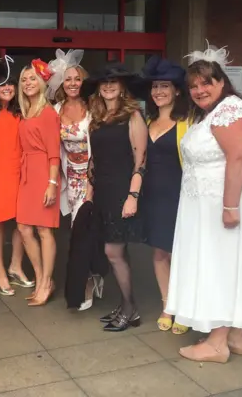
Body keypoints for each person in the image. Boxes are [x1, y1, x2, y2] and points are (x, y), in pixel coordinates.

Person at [166, 44, 242, 364]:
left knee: (220, 266)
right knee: (233, 265)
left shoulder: (229, 109)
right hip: (217, 201)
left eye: (206, 82)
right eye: (193, 86)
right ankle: (235, 334)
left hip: (227, 203)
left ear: (222, 82)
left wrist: (230, 206)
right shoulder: (218, 111)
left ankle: (217, 342)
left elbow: (239, 156)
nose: (199, 90)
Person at [82, 61, 147, 332]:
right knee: (118, 252)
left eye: (114, 82)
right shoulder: (96, 119)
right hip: (103, 193)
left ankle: (131, 309)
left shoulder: (133, 116)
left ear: (122, 87)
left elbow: (140, 161)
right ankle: (125, 306)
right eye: (104, 82)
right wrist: (89, 195)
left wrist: (133, 196)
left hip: (123, 191)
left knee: (113, 251)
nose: (108, 86)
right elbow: (93, 162)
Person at [48, 49, 107, 311]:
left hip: (93, 175)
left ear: (84, 81)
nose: (72, 83)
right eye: (68, 79)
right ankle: (88, 277)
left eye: (77, 78)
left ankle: (89, 279)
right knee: (78, 231)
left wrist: (92, 183)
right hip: (71, 176)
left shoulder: (94, 107)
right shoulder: (56, 109)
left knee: (90, 230)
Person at [138, 56, 191, 335]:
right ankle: (168, 305)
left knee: (180, 252)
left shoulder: (189, 122)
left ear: (177, 90)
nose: (158, 91)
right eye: (155, 86)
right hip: (153, 197)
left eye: (165, 86)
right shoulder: (145, 121)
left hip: (181, 196)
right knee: (159, 252)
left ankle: (184, 305)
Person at [0, 56, 34, 295]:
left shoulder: (22, 112)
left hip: (20, 172)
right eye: (3, 83)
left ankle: (15, 265)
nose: (8, 88)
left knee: (22, 221)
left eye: (12, 83)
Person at [16, 59, 61, 306]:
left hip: (44, 172)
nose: (28, 83)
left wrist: (52, 183)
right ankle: (40, 276)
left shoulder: (47, 112)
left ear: (42, 82)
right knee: (23, 227)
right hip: (27, 174)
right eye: (24, 79)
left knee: (44, 230)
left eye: (32, 78)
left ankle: (46, 282)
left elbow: (54, 151)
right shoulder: (25, 112)